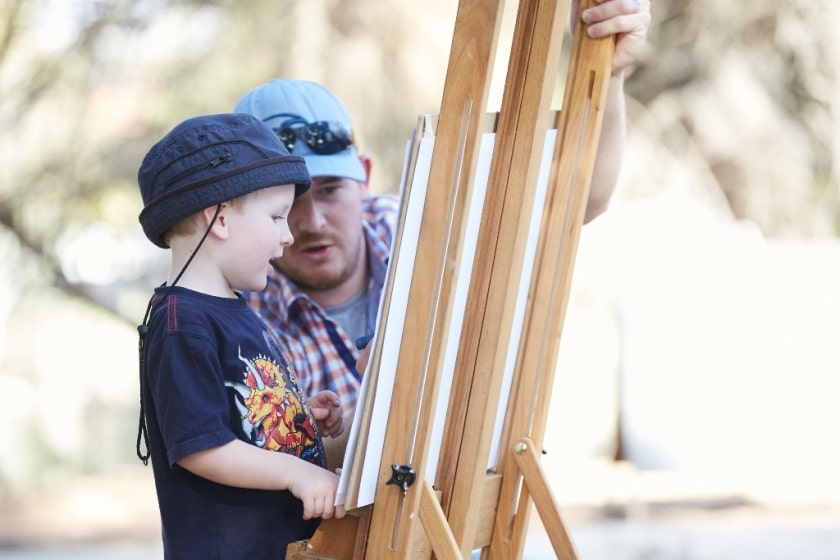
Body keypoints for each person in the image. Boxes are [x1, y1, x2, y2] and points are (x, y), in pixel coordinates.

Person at [233, 0, 651, 421]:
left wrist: (609, 72)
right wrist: (386, 403)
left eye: (329, 190)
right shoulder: (235, 311)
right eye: (286, 204)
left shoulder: (414, 228)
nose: (312, 222)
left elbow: (578, 202)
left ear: (364, 179)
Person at [134, 113, 346, 560]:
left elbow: (241, 424)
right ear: (220, 218)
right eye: (277, 217)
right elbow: (202, 447)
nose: (288, 236)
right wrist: (296, 473)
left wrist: (299, 419)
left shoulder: (235, 310)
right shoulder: (181, 323)